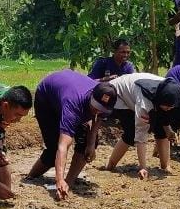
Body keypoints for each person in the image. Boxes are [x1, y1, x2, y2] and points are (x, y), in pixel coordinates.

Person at [26, 70, 118, 200]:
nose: (97, 111)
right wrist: (58, 179)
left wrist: (91, 143)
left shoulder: (106, 101)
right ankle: (31, 178)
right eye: (95, 107)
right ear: (91, 96)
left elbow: (99, 119)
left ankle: (68, 183)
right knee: (53, 151)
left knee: (88, 142)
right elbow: (63, 145)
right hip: (47, 99)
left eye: (101, 109)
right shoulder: (73, 104)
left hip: (69, 93)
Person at [103, 73, 180, 179]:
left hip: (138, 91)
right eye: (166, 106)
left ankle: (165, 166)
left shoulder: (178, 92)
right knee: (131, 132)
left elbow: (165, 116)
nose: (169, 109)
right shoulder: (144, 104)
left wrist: (169, 130)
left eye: (171, 107)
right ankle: (110, 165)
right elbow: (140, 135)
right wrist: (143, 167)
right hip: (120, 93)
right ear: (159, 101)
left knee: (161, 128)